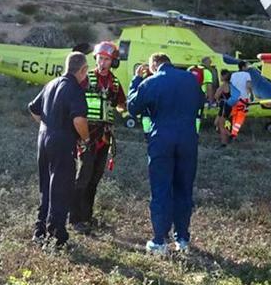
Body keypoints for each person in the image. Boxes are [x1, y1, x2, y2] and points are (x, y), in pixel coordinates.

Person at [128, 53, 205, 255]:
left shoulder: (150, 82)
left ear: (154, 65)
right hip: (188, 140)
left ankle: (160, 241)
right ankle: (183, 239)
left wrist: (136, 80)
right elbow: (200, 103)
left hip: (161, 140)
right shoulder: (190, 79)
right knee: (184, 188)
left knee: (161, 189)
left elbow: (133, 108)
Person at [28, 51, 90, 249]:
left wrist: (48, 124)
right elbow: (79, 119)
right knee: (61, 188)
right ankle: (57, 237)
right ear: (83, 70)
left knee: (46, 186)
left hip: (43, 139)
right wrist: (85, 138)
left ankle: (40, 232)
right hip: (62, 141)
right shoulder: (75, 89)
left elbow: (33, 109)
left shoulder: (51, 84)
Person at [71, 41, 126, 235]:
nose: (102, 63)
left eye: (107, 60)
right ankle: (75, 218)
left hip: (105, 137)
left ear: (113, 62)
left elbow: (122, 104)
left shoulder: (115, 82)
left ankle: (86, 215)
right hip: (87, 135)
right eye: (100, 58)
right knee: (83, 176)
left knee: (95, 178)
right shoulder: (87, 78)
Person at [227, 61, 254, 139]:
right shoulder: (247, 75)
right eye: (246, 66)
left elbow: (231, 86)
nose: (247, 68)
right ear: (243, 67)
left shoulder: (233, 75)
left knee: (234, 115)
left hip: (234, 98)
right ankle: (234, 133)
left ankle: (233, 132)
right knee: (240, 116)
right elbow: (248, 86)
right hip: (243, 98)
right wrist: (251, 95)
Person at [213, 69, 232, 147]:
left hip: (224, 106)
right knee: (216, 123)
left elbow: (216, 96)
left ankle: (224, 143)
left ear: (224, 76)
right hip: (228, 106)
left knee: (221, 124)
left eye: (221, 75)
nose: (220, 77)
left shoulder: (223, 85)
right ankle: (230, 135)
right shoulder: (231, 85)